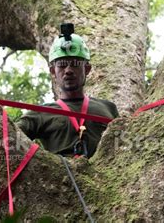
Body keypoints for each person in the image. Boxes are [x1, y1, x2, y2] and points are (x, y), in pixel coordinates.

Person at [17, 24, 119, 158]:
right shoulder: (40, 114)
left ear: (87, 69)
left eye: (75, 64)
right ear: (53, 71)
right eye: (62, 65)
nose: (69, 70)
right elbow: (8, 136)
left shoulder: (108, 108)